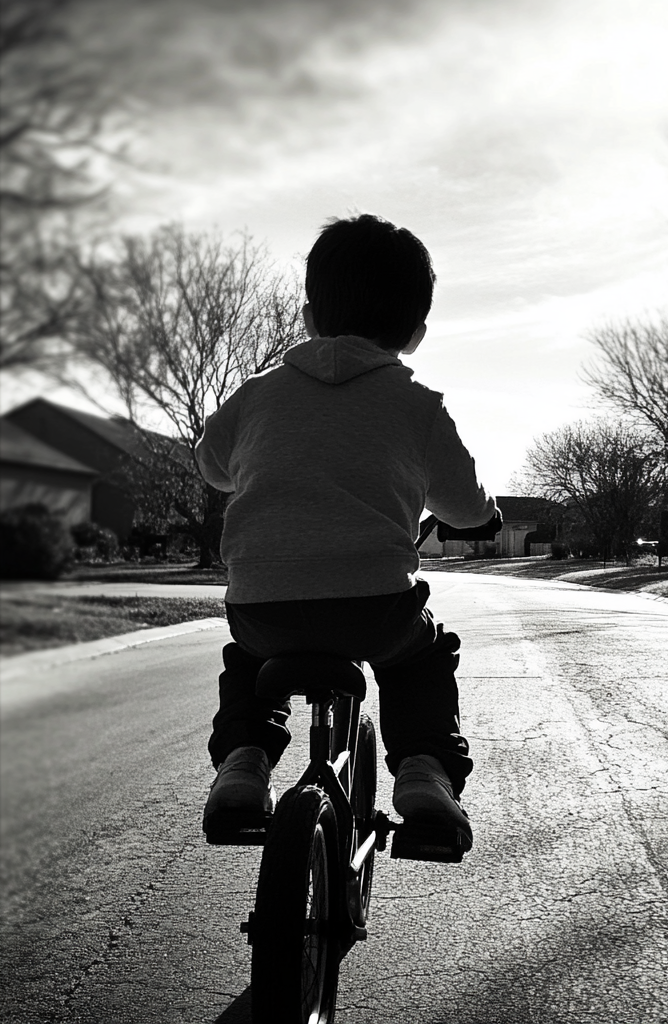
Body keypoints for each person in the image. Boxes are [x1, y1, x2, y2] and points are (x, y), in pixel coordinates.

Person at [195, 213, 498, 853]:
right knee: (420, 661)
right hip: (375, 610)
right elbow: (465, 505)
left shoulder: (255, 396)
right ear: (415, 333)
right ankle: (424, 773)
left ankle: (243, 765)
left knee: (248, 663)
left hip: (263, 609)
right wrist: (485, 517)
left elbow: (213, 466)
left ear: (308, 316)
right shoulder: (418, 407)